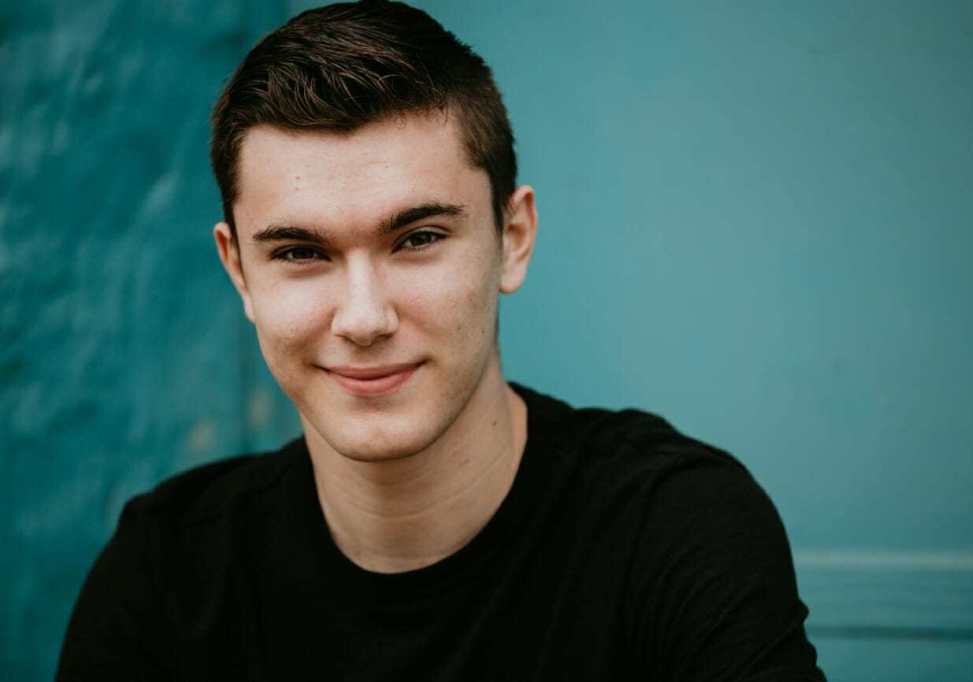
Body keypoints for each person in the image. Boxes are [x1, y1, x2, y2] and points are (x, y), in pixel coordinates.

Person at [58, 1, 826, 679]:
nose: (363, 318)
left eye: (418, 238)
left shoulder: (674, 531)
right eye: (300, 253)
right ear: (239, 272)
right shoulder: (165, 574)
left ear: (513, 237)